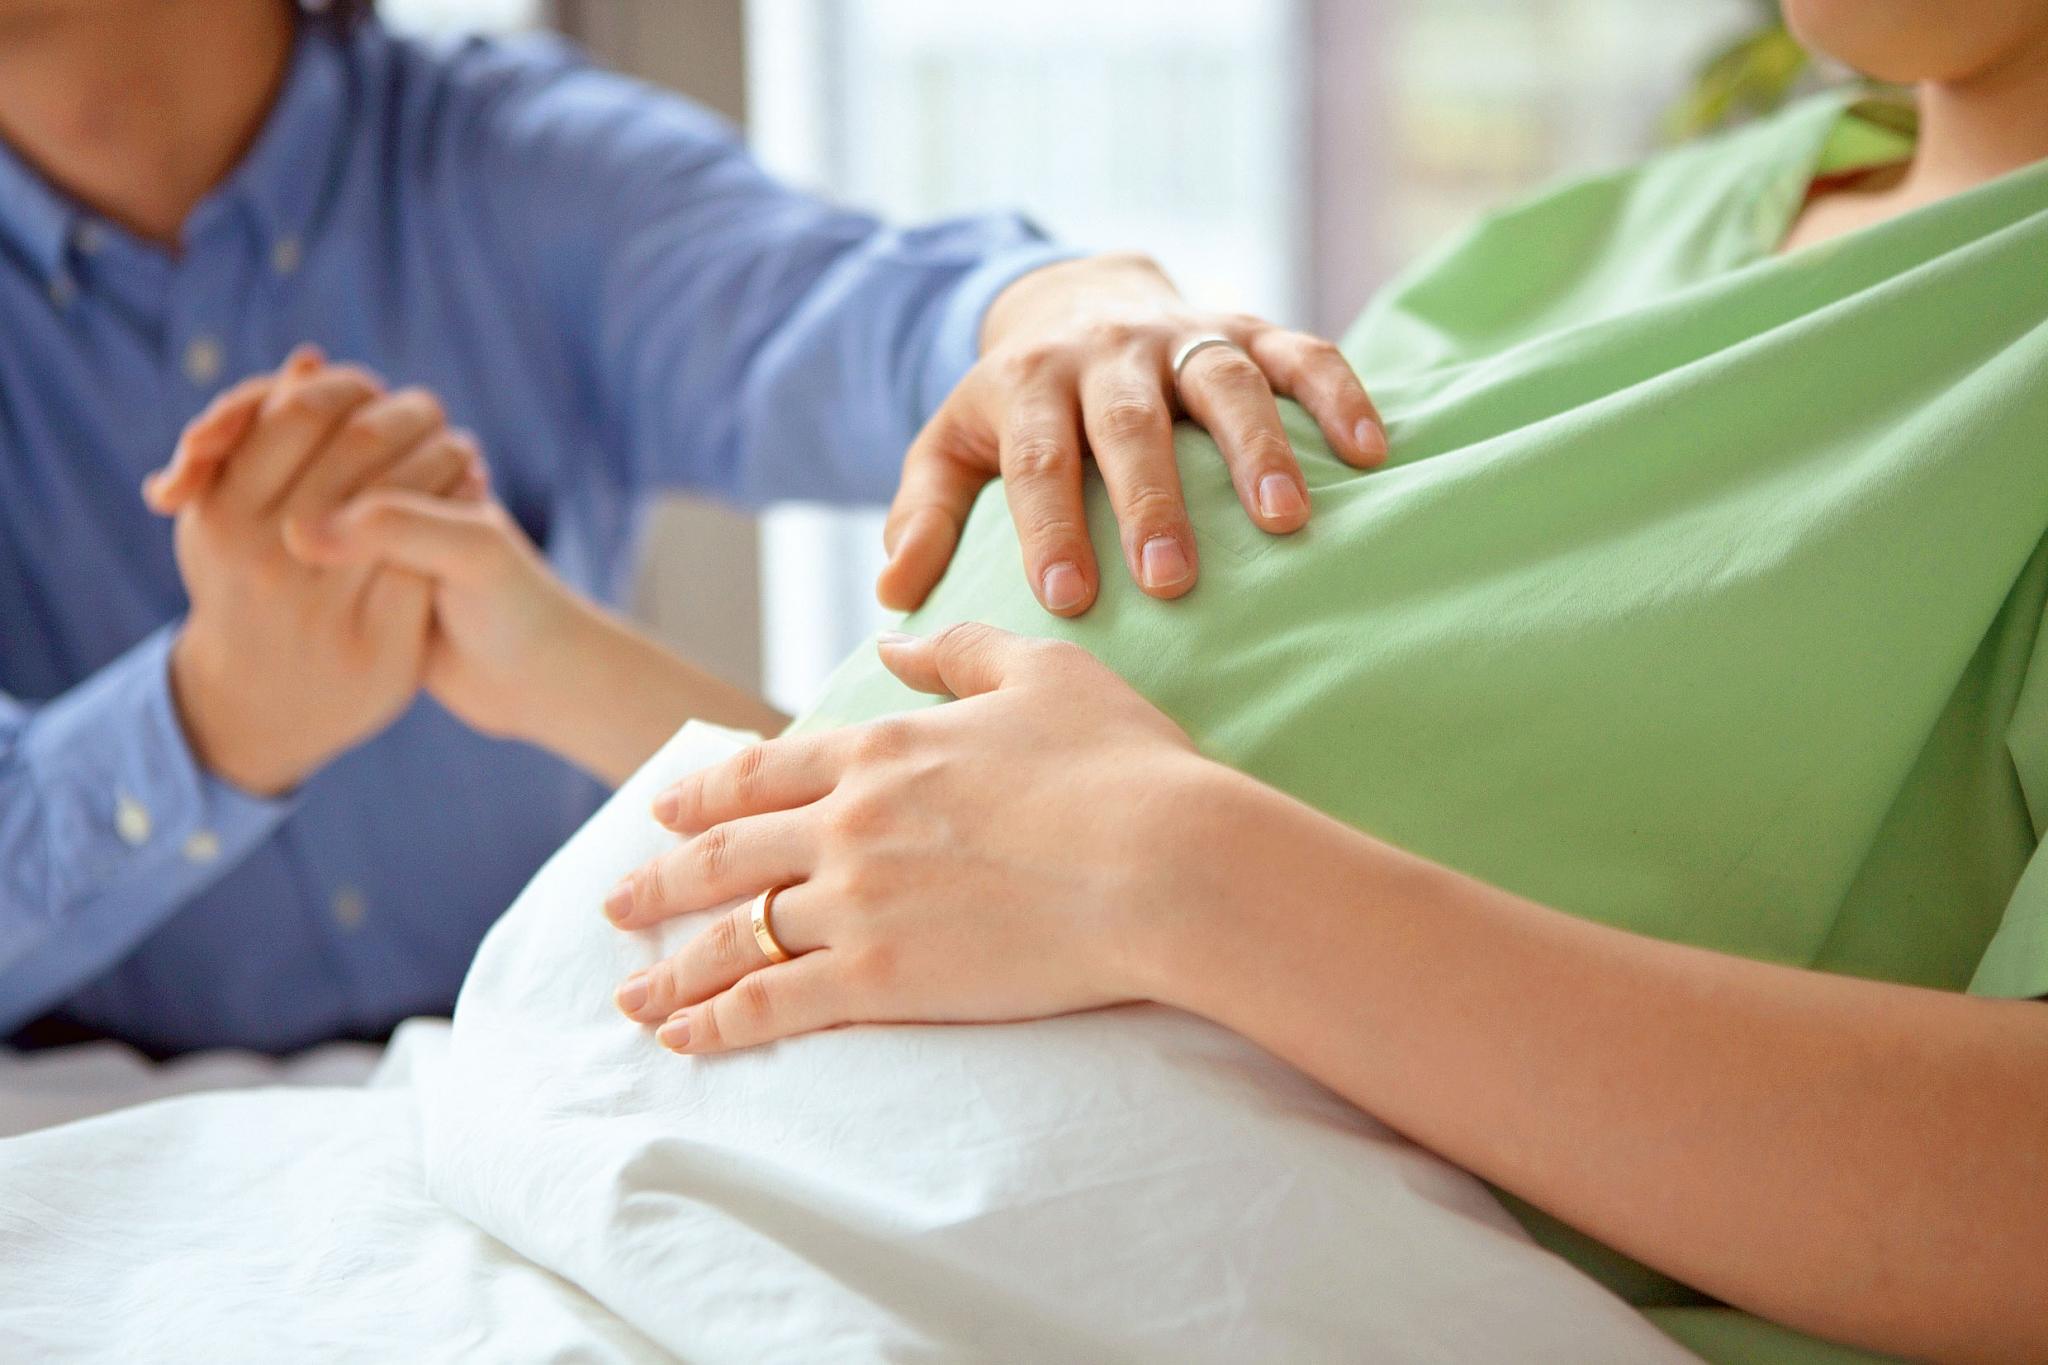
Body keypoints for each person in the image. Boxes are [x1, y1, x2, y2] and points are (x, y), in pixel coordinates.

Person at [187, 0, 2048, 1359]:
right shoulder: (1606, 233)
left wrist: (1178, 872)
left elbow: (1161, 863)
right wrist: (551, 664)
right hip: (628, 1179)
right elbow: (1046, 853)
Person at [0, 0, 1384, 1056]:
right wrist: (207, 720)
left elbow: (860, 311)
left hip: (576, 1046)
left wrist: (1066, 304)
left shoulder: (518, 165)